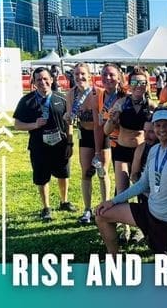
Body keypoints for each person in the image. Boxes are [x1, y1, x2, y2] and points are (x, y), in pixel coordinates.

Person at [95, 108, 167, 255]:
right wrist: (113, 201)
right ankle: (114, 259)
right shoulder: (154, 150)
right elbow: (142, 184)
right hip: (149, 211)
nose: (161, 129)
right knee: (102, 214)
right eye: (158, 125)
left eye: (166, 125)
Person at [13, 66, 76, 221]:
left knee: (63, 174)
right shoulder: (26, 101)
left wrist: (70, 142)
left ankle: (64, 201)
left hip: (60, 145)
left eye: (45, 78)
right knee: (42, 178)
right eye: (39, 79)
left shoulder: (61, 98)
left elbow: (69, 122)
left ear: (52, 80)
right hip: (38, 146)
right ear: (34, 82)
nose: (43, 82)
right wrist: (34, 124)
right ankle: (46, 207)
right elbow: (17, 125)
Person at [104, 67, 156, 243]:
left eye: (142, 82)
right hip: (122, 150)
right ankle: (124, 227)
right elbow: (106, 130)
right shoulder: (120, 103)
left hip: (141, 152)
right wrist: (112, 119)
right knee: (122, 188)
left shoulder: (150, 106)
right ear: (129, 84)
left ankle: (143, 228)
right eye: (134, 82)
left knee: (144, 191)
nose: (138, 86)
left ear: (147, 84)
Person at [64, 63, 110, 224]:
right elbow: (70, 117)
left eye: (82, 74)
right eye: (76, 74)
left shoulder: (99, 92)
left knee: (102, 171)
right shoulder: (71, 94)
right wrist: (68, 118)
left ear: (90, 76)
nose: (79, 77)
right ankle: (87, 209)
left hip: (102, 135)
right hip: (85, 135)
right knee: (86, 172)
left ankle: (106, 207)